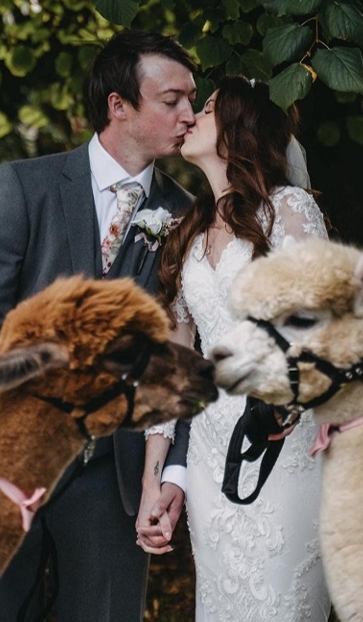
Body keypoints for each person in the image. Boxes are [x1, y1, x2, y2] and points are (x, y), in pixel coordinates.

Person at [0, 30, 198, 622]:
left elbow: (184, 359)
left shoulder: (187, 215)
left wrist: (173, 475)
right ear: (119, 105)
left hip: (116, 479)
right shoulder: (24, 187)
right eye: (172, 99)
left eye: (193, 99)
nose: (189, 114)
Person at [136, 76, 331, 621]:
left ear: (238, 130)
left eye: (210, 108)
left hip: (281, 445)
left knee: (280, 603)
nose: (193, 115)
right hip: (208, 456)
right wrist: (156, 477)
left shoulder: (288, 210)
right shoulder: (188, 229)